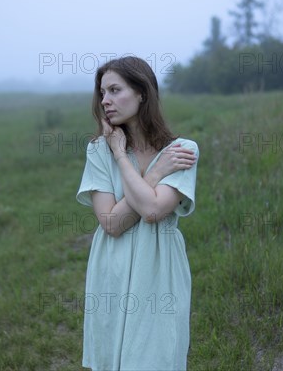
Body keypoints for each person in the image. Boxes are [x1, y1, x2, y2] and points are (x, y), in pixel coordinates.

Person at [76, 56, 199, 370]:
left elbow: (154, 210)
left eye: (115, 90)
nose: (105, 101)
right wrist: (126, 158)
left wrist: (147, 179)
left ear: (142, 92)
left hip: (160, 269)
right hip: (111, 269)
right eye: (102, 93)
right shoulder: (100, 151)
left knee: (158, 356)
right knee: (113, 359)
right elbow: (113, 223)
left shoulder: (182, 150)